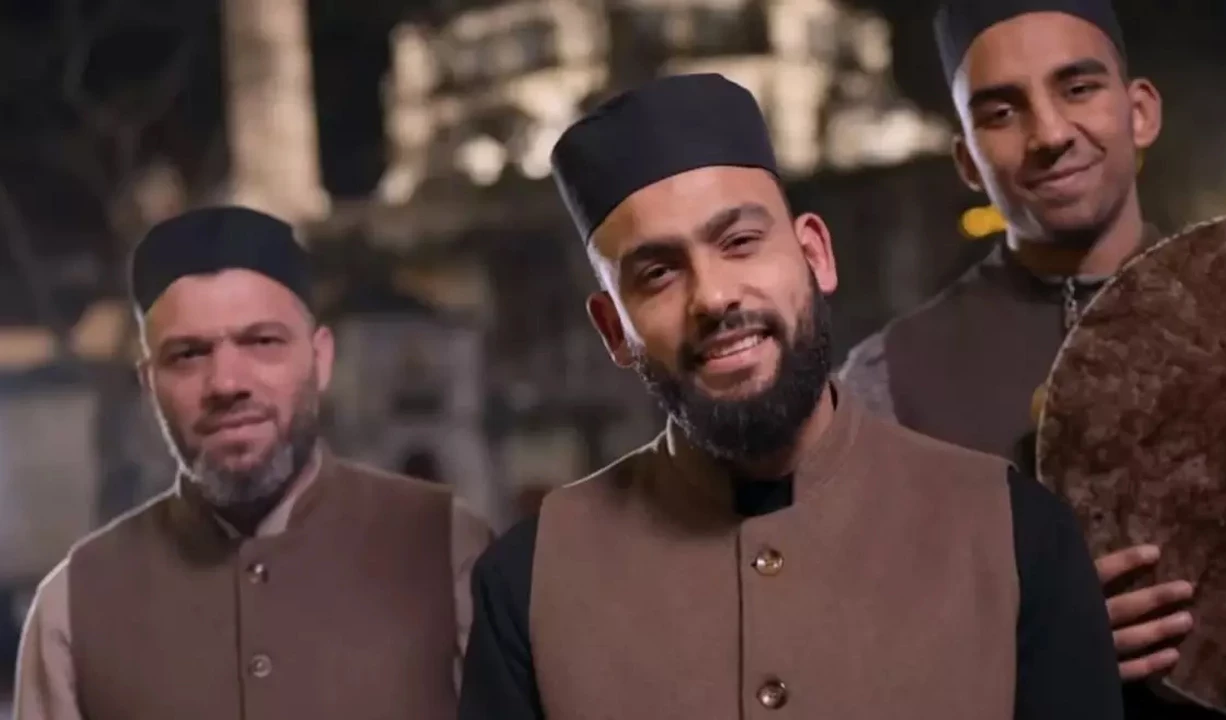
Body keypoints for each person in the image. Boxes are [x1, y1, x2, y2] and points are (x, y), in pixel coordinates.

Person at [459, 72, 1122, 720]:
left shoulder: (1016, 536)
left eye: (740, 243)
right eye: (658, 274)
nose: (714, 297)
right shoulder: (529, 584)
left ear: (815, 254)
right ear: (614, 330)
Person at [839, 1, 1226, 717]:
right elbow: (854, 649)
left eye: (1078, 88)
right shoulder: (888, 380)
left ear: (1140, 111)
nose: (1050, 134)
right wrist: (1024, 649)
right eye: (1001, 113)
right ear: (968, 160)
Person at [14, 206, 491, 720]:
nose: (226, 383)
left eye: (262, 342)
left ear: (321, 359)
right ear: (150, 383)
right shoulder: (73, 608)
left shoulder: (449, 551)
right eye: (188, 354)